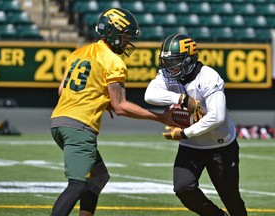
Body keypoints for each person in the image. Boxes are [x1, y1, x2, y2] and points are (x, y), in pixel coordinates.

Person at [49, 8, 178, 216]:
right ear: (113, 32)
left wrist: (100, 98)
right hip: (79, 126)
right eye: (125, 35)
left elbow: (62, 89)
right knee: (77, 185)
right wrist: (160, 117)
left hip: (59, 121)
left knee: (98, 176)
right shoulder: (113, 61)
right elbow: (121, 106)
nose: (127, 41)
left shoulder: (78, 53)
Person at [144, 34, 248, 216]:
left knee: (231, 198)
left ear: (188, 60)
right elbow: (150, 95)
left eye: (174, 61)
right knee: (183, 189)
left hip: (220, 146)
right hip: (191, 147)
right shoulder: (166, 75)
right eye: (166, 61)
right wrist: (182, 98)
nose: (169, 67)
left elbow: (217, 117)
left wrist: (185, 133)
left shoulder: (208, 76)